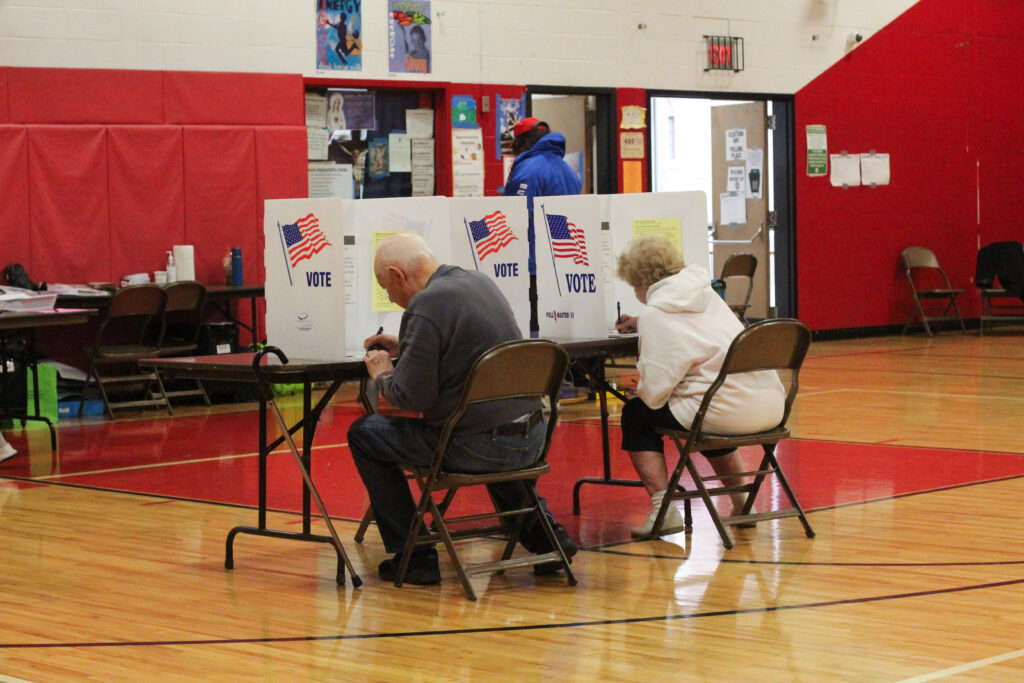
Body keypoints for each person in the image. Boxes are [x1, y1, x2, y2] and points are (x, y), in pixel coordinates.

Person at [347, 233, 577, 585]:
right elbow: (468, 352)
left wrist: (382, 374)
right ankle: (547, 537)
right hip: (531, 440)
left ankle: (416, 553)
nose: (393, 300)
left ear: (397, 275)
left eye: (387, 289)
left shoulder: (425, 305)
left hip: (476, 447)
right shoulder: (478, 281)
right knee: (491, 416)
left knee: (364, 434)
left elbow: (410, 396)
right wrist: (408, 343)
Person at [615, 236, 786, 537]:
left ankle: (663, 510)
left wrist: (636, 384)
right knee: (704, 404)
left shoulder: (658, 314)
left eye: (634, 286)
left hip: (724, 413)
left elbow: (654, 394)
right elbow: (692, 325)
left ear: (642, 281)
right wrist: (643, 321)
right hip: (770, 406)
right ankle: (743, 502)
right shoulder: (707, 296)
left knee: (636, 414)